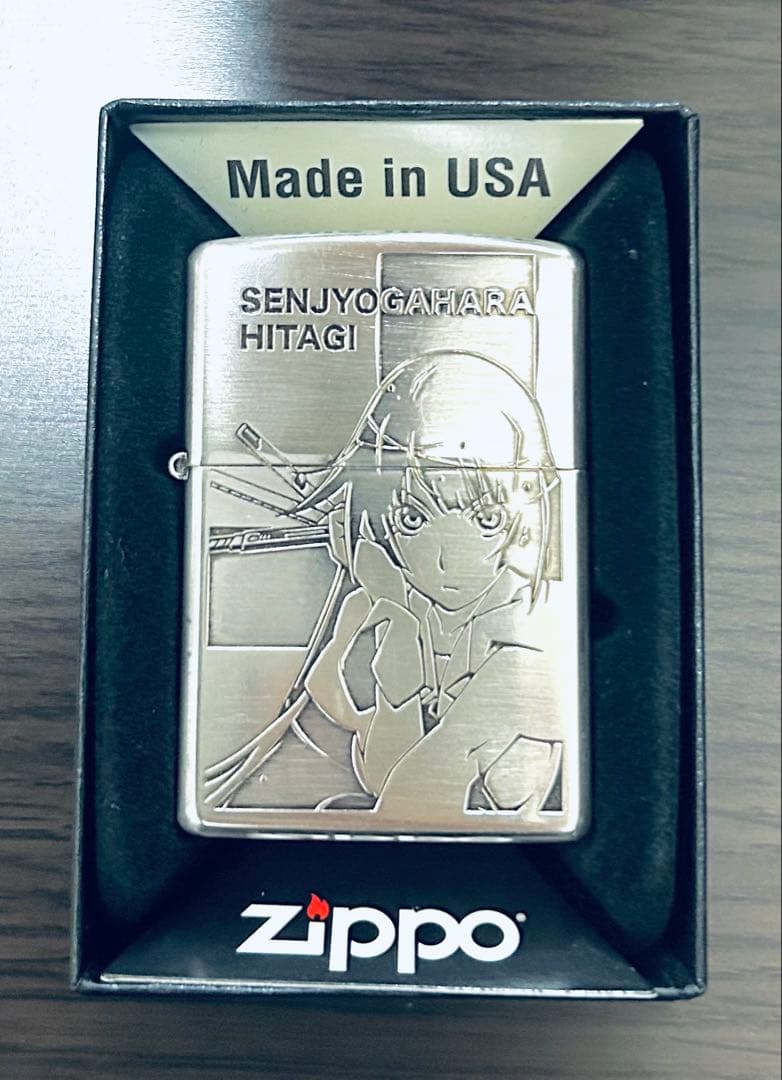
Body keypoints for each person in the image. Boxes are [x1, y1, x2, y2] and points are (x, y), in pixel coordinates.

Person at [204, 350, 564, 821]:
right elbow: (382, 774)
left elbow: (414, 800)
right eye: (413, 519)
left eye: (486, 520)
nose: (445, 561)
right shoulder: (392, 605)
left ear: (529, 510)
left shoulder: (532, 639)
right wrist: (396, 623)